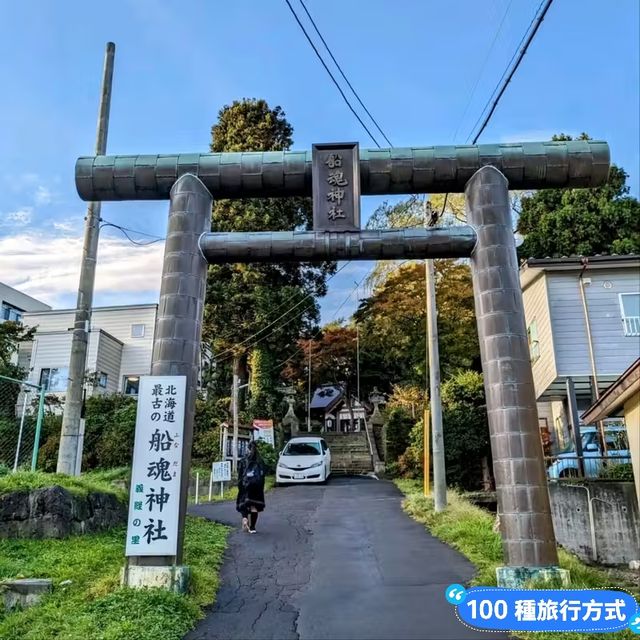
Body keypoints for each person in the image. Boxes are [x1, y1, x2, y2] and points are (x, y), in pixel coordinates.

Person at [236, 441, 266, 533]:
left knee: (244, 503)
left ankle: (245, 518)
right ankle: (252, 527)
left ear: (248, 449)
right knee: (254, 506)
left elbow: (240, 474)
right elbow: (263, 474)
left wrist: (240, 484)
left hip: (246, 485)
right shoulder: (260, 460)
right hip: (257, 486)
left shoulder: (243, 460)